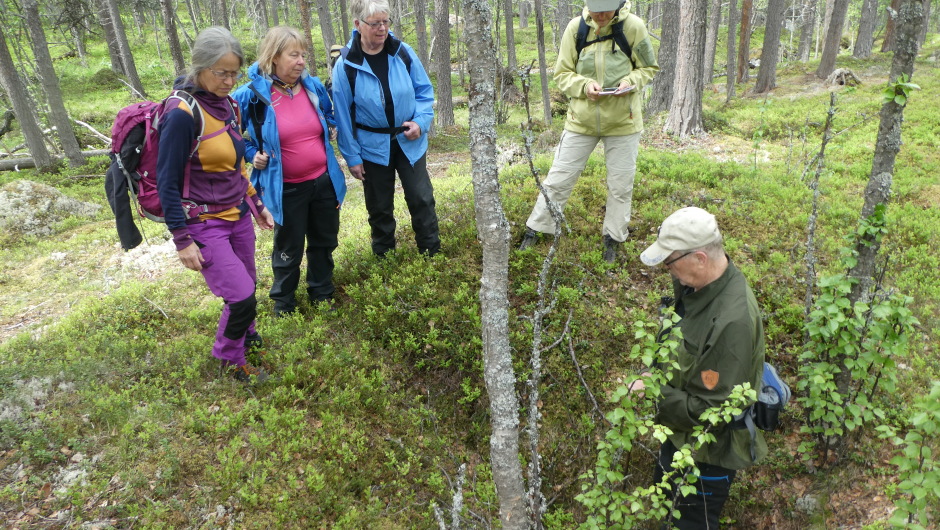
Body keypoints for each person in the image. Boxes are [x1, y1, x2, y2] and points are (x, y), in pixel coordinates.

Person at [631, 207, 767, 529]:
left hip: (706, 458)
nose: (668, 270)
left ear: (700, 258)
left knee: (689, 523)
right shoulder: (699, 286)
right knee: (667, 511)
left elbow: (712, 411)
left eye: (670, 262)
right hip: (678, 436)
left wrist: (652, 393)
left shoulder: (732, 321)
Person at [156, 26, 275, 383]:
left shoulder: (229, 105)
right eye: (221, 73)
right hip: (203, 222)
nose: (228, 80)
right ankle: (230, 359)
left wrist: (257, 204)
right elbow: (167, 181)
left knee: (249, 286)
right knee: (240, 296)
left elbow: (237, 165)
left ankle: (247, 337)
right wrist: (182, 240)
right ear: (200, 68)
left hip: (237, 213)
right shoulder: (181, 114)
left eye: (234, 72)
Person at [518, 0, 658, 263]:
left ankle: (613, 238)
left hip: (623, 122)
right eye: (596, 11)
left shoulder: (634, 27)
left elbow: (648, 67)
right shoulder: (575, 29)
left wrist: (630, 82)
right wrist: (584, 86)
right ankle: (536, 228)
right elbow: (562, 74)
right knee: (559, 178)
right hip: (580, 121)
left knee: (620, 185)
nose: (602, 16)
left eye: (607, 11)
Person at [233, 26, 347, 317]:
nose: (301, 62)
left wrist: (331, 127)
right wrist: (251, 154)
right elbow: (230, 133)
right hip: (286, 187)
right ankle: (284, 304)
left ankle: (322, 294)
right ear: (274, 57)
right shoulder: (251, 95)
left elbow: (329, 113)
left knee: (324, 240)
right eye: (293, 55)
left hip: (323, 181)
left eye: (304, 55)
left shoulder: (312, 86)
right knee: (289, 246)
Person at [331, 0, 439, 258]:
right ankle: (385, 261)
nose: (382, 29)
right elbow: (344, 118)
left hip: (409, 140)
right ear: (358, 25)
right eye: (375, 23)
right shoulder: (346, 66)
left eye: (386, 22)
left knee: (421, 198)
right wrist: (353, 157)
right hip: (372, 146)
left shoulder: (402, 52)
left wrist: (421, 123)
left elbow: (424, 92)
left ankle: (431, 254)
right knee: (379, 207)